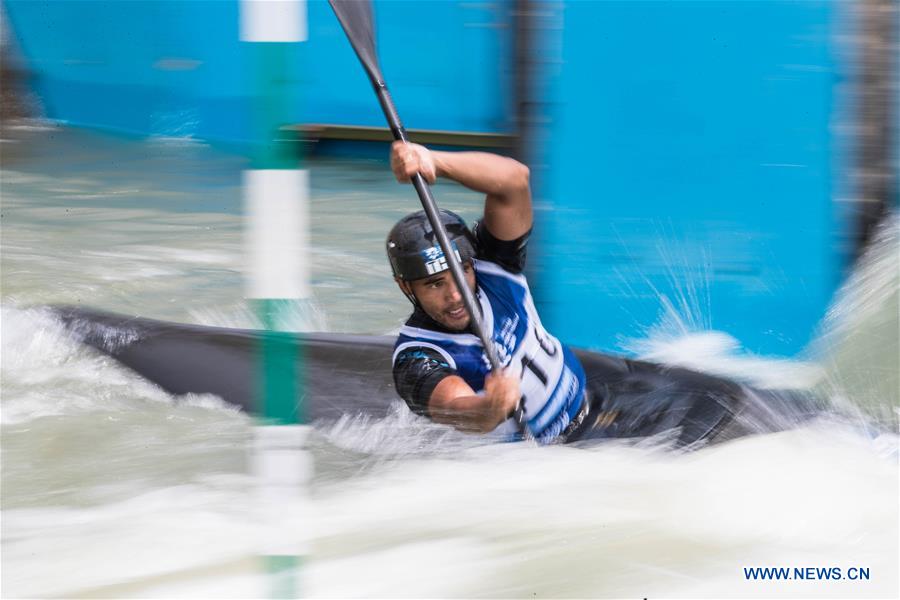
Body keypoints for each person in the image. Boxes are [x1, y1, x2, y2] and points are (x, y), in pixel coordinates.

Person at [387, 141, 591, 442]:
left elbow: (514, 179)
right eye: (435, 284)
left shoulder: (493, 266)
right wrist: (491, 406)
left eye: (461, 273)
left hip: (592, 406)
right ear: (406, 286)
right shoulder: (416, 356)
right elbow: (460, 411)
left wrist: (433, 161)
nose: (455, 296)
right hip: (550, 456)